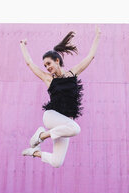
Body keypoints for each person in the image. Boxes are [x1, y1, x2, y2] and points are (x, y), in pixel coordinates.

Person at [20, 25, 101, 168]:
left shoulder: (72, 73)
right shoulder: (48, 79)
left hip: (64, 124)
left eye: (49, 63)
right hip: (52, 117)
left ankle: (35, 152)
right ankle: (41, 135)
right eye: (45, 65)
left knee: (57, 162)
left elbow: (90, 56)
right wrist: (23, 46)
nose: (47, 67)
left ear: (57, 61)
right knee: (76, 129)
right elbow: (29, 63)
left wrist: (97, 36)